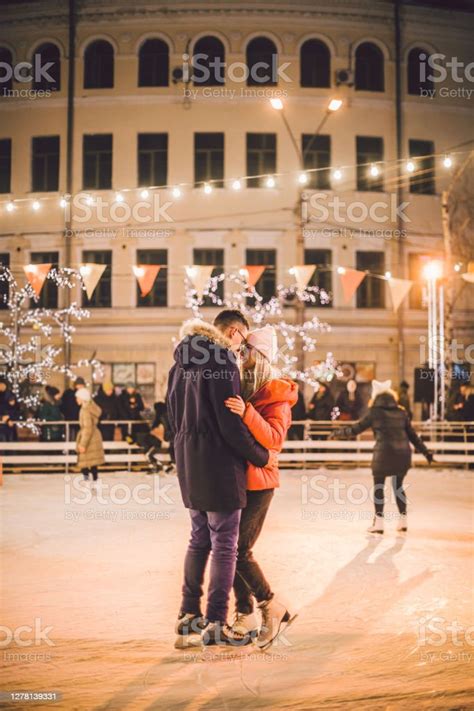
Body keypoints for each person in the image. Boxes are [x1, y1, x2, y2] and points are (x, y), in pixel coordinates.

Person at [167, 310, 269, 648]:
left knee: (198, 540)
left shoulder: (179, 363)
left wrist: (179, 459)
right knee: (225, 545)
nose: (241, 350)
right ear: (235, 332)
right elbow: (229, 423)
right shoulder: (223, 359)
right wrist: (261, 455)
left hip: (189, 466)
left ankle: (187, 617)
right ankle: (214, 621)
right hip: (220, 467)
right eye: (242, 341)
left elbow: (171, 419)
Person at [224, 324, 298, 649]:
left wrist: (247, 412)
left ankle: (271, 604)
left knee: (238, 549)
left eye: (247, 353)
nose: (243, 358)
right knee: (230, 550)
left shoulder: (277, 397)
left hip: (261, 482)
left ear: (261, 357)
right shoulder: (249, 391)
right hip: (241, 479)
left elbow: (274, 440)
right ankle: (247, 614)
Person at [334, 379, 433, 534]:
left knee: (379, 487)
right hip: (403, 454)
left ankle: (379, 523)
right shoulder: (401, 412)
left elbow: (357, 428)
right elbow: (412, 436)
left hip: (384, 453)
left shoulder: (375, 412)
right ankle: (403, 521)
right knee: (398, 486)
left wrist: (339, 433)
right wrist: (426, 452)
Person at [75, 387, 105, 491]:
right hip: (95, 437)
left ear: (83, 398)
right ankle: (95, 483)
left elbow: (87, 428)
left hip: (88, 438)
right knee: (92, 463)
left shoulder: (85, 410)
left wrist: (83, 444)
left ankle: (87, 484)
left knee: (84, 463)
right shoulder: (91, 407)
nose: (77, 400)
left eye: (78, 398)